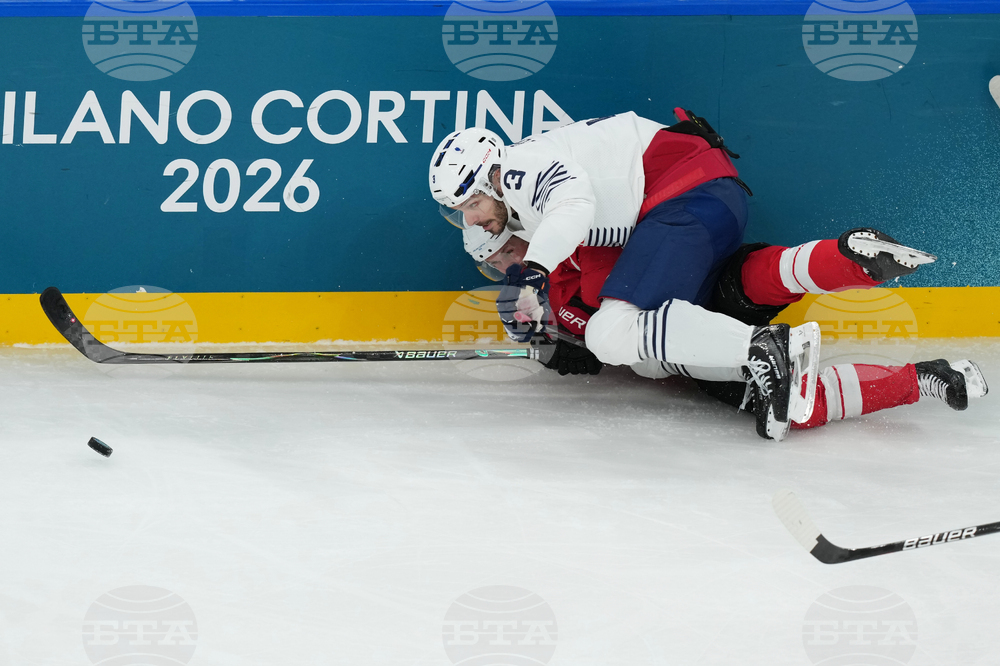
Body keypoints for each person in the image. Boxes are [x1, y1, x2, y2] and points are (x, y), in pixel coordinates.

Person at [431, 109, 826, 439]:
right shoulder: (524, 194)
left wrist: (535, 274)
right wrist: (545, 319)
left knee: (613, 333)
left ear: (495, 178)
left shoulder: (518, 168)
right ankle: (757, 355)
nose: (472, 219)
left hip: (687, 195)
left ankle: (763, 348)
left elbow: (573, 202)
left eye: (474, 203)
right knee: (638, 346)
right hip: (694, 199)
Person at [460, 223, 990, 433]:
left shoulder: (574, 234)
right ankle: (929, 377)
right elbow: (591, 351)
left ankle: (853, 258)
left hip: (695, 299)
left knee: (762, 278)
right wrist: (556, 348)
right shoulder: (541, 291)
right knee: (792, 408)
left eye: (507, 250)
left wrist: (565, 333)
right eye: (496, 263)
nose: (509, 265)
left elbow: (607, 319)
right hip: (691, 345)